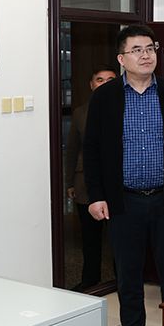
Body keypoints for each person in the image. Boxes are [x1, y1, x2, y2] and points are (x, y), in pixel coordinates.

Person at [83, 25, 164, 326]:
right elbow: (92, 150)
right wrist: (96, 196)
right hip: (124, 201)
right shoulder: (105, 97)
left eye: (150, 48)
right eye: (137, 50)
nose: (146, 55)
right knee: (128, 272)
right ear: (122, 59)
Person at [65, 67, 117, 290]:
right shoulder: (80, 113)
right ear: (92, 84)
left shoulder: (128, 108)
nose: (105, 84)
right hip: (85, 182)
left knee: (119, 236)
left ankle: (121, 278)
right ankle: (90, 279)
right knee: (90, 236)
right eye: (100, 80)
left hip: (118, 184)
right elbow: (72, 149)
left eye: (110, 80)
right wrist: (69, 181)